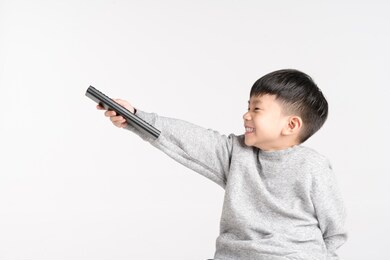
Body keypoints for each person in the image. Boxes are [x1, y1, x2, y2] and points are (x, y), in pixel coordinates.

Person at [96, 69, 347, 260]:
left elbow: (334, 231)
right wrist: (135, 118)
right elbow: (187, 138)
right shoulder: (236, 153)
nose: (246, 115)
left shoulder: (313, 166)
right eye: (247, 106)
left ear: (290, 125)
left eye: (257, 109)